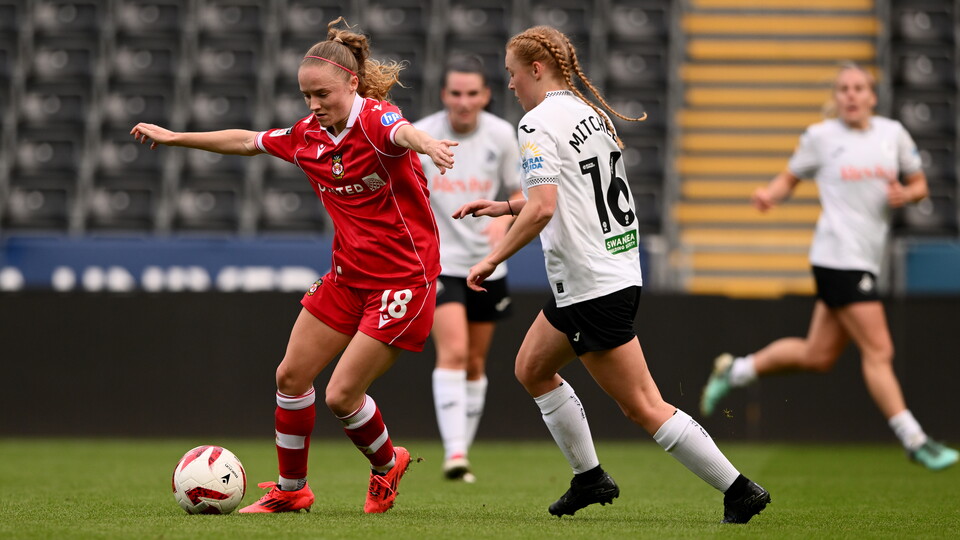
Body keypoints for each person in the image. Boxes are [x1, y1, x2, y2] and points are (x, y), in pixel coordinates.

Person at [132, 17, 458, 513]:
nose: (313, 104)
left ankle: (386, 463)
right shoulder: (307, 135)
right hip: (348, 278)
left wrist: (428, 144)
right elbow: (246, 141)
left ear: (352, 83)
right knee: (290, 377)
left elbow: (403, 132)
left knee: (341, 396)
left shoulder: (376, 121)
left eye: (322, 94)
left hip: (403, 282)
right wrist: (177, 137)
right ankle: (291, 491)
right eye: (306, 95)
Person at [452, 25, 770, 523]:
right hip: (610, 270)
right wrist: (503, 205)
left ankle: (739, 489)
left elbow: (542, 209)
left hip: (589, 284)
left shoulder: (536, 123)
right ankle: (589, 477)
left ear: (536, 69)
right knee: (532, 368)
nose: (510, 85)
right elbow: (567, 192)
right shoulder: (589, 115)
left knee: (643, 405)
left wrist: (493, 259)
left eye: (513, 75)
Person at [699, 62, 958, 472]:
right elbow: (790, 177)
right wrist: (770, 195)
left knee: (817, 355)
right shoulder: (820, 137)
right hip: (837, 257)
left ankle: (736, 370)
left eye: (859, 88)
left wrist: (906, 194)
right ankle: (915, 439)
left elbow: (921, 184)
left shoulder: (893, 134)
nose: (851, 95)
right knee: (880, 350)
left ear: (872, 96)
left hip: (864, 259)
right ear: (836, 98)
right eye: (844, 89)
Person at [413, 55, 522, 483]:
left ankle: (462, 452)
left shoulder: (501, 135)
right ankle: (455, 455)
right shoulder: (422, 135)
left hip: (489, 263)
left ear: (486, 95)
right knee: (454, 352)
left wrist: (503, 221)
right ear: (444, 95)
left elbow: (517, 190)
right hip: (439, 263)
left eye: (472, 93)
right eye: (455, 93)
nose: (463, 101)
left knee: (476, 362)